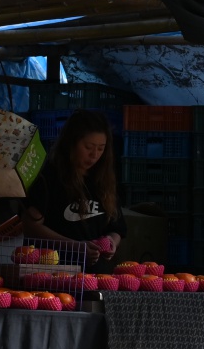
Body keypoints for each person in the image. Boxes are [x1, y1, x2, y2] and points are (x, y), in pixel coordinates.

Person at [22, 109, 126, 265]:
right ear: (71, 143)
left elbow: (116, 227)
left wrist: (111, 241)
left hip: (96, 278)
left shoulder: (103, 181)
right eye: (88, 147)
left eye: (101, 148)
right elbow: (30, 226)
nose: (94, 155)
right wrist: (75, 247)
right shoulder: (49, 178)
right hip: (57, 275)